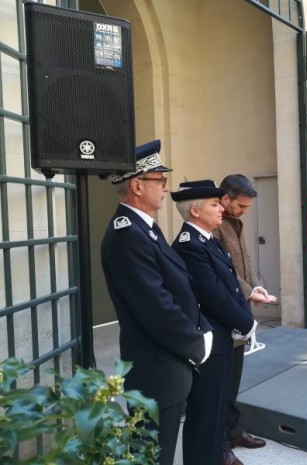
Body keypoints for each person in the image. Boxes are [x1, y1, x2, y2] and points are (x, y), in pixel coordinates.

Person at [100, 140, 213, 465]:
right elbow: (158, 308)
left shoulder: (143, 228)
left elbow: (181, 289)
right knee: (153, 457)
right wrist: (197, 344)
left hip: (168, 367)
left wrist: (200, 329)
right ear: (137, 185)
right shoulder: (127, 235)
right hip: (155, 370)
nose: (166, 187)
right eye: (160, 180)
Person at [170, 180, 258, 465]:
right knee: (205, 413)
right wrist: (246, 322)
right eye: (214, 204)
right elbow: (212, 293)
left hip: (223, 336)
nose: (221, 208)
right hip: (209, 339)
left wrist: (244, 315)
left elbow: (230, 284)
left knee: (218, 407)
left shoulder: (206, 239)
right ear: (194, 211)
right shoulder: (189, 244)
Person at [213, 174, 274, 465]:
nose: (245, 211)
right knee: (220, 383)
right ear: (225, 199)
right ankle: (222, 443)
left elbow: (245, 262)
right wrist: (250, 293)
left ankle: (235, 431)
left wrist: (255, 287)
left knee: (234, 377)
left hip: (240, 307)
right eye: (242, 206)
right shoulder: (213, 225)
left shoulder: (236, 221)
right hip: (224, 310)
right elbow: (223, 270)